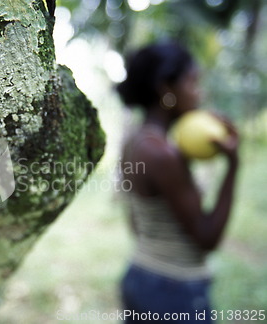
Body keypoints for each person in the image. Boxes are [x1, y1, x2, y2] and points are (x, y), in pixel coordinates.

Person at [116, 42, 239, 323]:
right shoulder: (163, 154)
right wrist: (234, 166)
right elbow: (207, 238)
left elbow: (136, 222)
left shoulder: (136, 140)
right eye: (194, 82)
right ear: (166, 88)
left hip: (143, 275)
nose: (200, 93)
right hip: (174, 290)